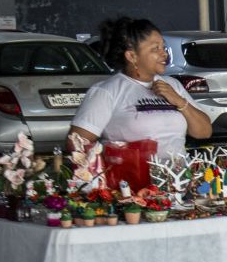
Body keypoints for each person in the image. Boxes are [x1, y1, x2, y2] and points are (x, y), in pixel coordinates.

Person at [70, 16, 212, 157]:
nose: (164, 54)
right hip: (131, 178)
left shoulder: (173, 85)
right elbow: (77, 144)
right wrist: (114, 156)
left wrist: (179, 101)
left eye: (163, 46)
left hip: (177, 177)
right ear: (132, 56)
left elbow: (204, 132)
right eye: (156, 49)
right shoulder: (107, 91)